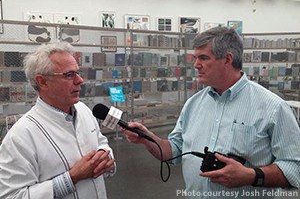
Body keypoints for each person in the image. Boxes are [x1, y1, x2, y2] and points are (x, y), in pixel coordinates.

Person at [124, 27, 300, 198]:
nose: (196, 65)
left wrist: (251, 175)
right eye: (195, 58)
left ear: (227, 59)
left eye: (203, 58)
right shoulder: (193, 104)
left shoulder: (273, 107)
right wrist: (148, 139)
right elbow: (175, 151)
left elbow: (294, 168)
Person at [0, 42, 116, 199]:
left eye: (78, 72)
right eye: (69, 75)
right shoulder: (21, 136)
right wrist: (71, 178)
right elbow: (12, 196)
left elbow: (101, 142)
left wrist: (104, 155)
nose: (80, 80)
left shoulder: (83, 110)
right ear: (42, 82)